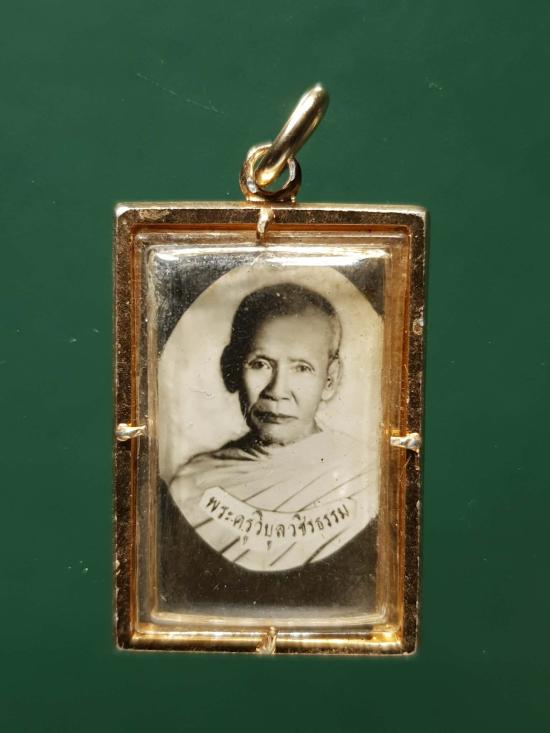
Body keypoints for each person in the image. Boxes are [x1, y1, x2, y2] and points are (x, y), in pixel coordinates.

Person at [168, 283, 379, 574]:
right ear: (230, 368)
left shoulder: (365, 476)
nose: (277, 392)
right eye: (260, 364)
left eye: (302, 368)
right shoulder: (190, 485)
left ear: (330, 380)